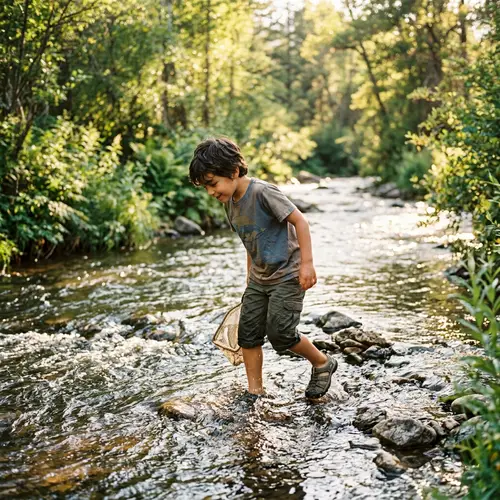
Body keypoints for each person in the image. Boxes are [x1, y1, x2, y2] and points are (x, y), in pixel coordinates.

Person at [189, 137, 338, 399]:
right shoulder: (230, 203)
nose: (210, 192)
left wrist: (307, 264)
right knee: (248, 333)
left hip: (287, 275)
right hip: (259, 279)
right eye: (205, 187)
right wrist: (249, 278)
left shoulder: (262, 192)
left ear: (234, 171)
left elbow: (300, 222)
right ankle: (255, 391)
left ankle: (322, 362)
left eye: (213, 183)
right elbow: (250, 242)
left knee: (281, 334)